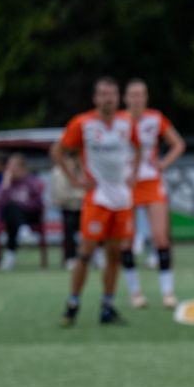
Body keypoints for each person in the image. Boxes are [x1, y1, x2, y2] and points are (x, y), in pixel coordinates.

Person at [53, 77, 141, 326]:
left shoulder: (127, 122)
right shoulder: (83, 123)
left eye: (112, 94)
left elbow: (139, 148)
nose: (108, 99)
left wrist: (133, 174)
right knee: (86, 252)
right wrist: (75, 179)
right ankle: (72, 304)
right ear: (95, 99)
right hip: (97, 198)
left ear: (118, 97)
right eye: (103, 94)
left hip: (122, 199)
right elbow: (58, 151)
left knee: (115, 254)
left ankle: (107, 306)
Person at [122, 78, 186, 309]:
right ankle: (135, 293)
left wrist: (163, 163)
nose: (137, 99)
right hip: (126, 184)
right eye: (133, 95)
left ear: (146, 98)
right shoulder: (120, 121)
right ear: (126, 98)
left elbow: (178, 144)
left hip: (151, 182)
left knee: (161, 237)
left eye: (141, 94)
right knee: (126, 242)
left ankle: (168, 292)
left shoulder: (155, 118)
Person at [0, 153, 45, 271]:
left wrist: (22, 205)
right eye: (9, 166)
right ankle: (23, 232)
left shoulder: (31, 181)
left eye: (14, 165)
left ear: (22, 167)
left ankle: (10, 256)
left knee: (14, 209)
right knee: (11, 210)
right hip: (13, 218)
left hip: (30, 215)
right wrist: (5, 183)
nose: (11, 169)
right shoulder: (7, 182)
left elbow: (38, 203)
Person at [49, 149, 86, 269]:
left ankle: (97, 254)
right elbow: (60, 197)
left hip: (86, 208)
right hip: (68, 208)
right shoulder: (58, 173)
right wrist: (80, 196)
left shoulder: (86, 170)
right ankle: (70, 257)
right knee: (69, 222)